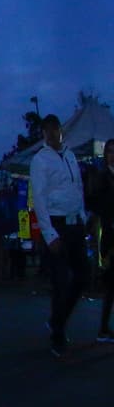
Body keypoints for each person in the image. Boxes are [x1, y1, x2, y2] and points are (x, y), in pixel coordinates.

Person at [29, 113, 88, 358]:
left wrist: (83, 215)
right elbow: (39, 199)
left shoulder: (70, 154)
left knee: (82, 276)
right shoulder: (40, 160)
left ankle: (57, 320)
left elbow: (78, 187)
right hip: (57, 223)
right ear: (43, 133)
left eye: (55, 129)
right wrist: (49, 233)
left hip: (75, 223)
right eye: (47, 130)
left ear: (61, 130)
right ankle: (57, 335)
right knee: (60, 281)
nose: (52, 133)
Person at [86, 141, 114, 341]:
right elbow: (93, 201)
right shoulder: (101, 176)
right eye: (110, 151)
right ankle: (103, 328)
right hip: (109, 232)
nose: (112, 155)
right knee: (111, 281)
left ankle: (104, 328)